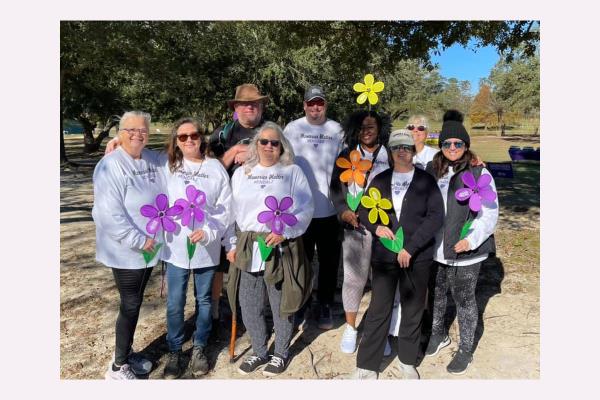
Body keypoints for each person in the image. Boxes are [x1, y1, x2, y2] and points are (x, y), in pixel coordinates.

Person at [351, 130, 444, 379]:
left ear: (413, 151)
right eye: (396, 148)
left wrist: (410, 248)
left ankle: (407, 361)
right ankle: (368, 365)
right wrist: (376, 226)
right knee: (379, 309)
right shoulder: (380, 180)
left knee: (413, 309)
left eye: (406, 147)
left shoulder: (426, 180)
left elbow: (436, 216)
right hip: (384, 257)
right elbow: (362, 209)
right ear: (390, 153)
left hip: (417, 257)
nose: (402, 151)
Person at [227, 122, 314, 376]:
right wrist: (230, 243)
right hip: (248, 245)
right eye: (263, 141)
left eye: (274, 142)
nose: (268, 146)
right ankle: (259, 351)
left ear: (281, 147)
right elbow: (231, 212)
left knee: (280, 302)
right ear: (256, 145)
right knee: (249, 302)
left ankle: (281, 353)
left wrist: (284, 232)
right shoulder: (243, 173)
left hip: (279, 245)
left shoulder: (292, 172)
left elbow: (305, 208)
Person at [423, 114, 499, 375]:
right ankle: (438, 334)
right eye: (447, 144)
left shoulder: (479, 171)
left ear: (466, 146)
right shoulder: (432, 170)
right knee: (436, 294)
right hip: (436, 249)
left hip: (466, 251)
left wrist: (471, 239)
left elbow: (489, 213)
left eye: (458, 143)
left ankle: (466, 348)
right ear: (441, 146)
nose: (452, 148)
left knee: (464, 299)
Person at [93, 111, 165, 380]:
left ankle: (126, 352)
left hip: (149, 247)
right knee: (131, 303)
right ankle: (117, 367)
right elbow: (106, 214)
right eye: (130, 130)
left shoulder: (151, 159)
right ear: (119, 132)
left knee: (134, 302)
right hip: (127, 250)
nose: (137, 134)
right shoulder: (111, 165)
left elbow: (180, 157)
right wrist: (140, 240)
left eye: (143, 129)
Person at [160, 118, 233, 379]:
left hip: (206, 248)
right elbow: (139, 161)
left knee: (204, 300)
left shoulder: (215, 168)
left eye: (194, 135)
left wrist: (211, 232)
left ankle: (200, 347)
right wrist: (116, 143)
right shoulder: (167, 167)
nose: (189, 140)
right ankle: (175, 350)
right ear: (176, 142)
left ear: (202, 138)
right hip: (176, 250)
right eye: (183, 137)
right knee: (175, 302)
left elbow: (226, 208)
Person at [283, 85, 344, 330]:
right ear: (304, 105)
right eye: (311, 103)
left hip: (330, 209)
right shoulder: (292, 129)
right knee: (303, 261)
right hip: (301, 210)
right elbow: (283, 162)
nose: (315, 107)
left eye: (319, 103)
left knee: (330, 262)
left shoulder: (336, 129)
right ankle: (302, 304)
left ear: (325, 105)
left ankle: (326, 304)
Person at [208, 83, 270, 325]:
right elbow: (210, 173)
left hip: (259, 210)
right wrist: (232, 152)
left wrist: (255, 156)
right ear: (235, 107)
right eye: (244, 104)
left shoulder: (272, 132)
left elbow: (285, 163)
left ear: (261, 107)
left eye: (254, 104)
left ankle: (257, 310)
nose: (249, 108)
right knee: (220, 262)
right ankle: (214, 309)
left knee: (259, 260)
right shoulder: (221, 135)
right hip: (225, 207)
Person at [330, 110, 390, 353]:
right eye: (363, 127)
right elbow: (336, 189)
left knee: (382, 281)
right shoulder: (346, 155)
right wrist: (343, 211)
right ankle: (351, 328)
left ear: (379, 129)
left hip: (384, 228)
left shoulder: (390, 154)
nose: (367, 131)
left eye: (372, 126)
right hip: (356, 228)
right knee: (354, 279)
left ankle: (378, 331)